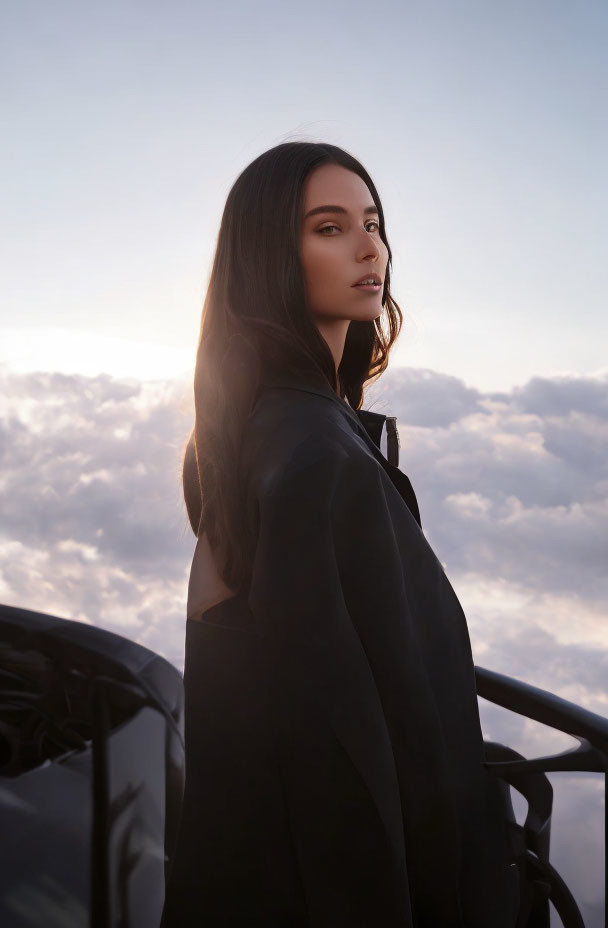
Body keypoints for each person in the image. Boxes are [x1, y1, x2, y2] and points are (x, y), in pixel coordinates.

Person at [161, 142, 519, 927]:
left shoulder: (262, 433)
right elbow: (340, 764)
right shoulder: (316, 461)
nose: (370, 249)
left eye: (374, 223)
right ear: (269, 257)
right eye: (330, 227)